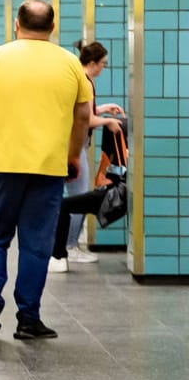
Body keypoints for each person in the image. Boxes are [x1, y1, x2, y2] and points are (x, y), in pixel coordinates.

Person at [0, 0, 93, 340]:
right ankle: (29, 319)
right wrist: (74, 154)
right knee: (37, 244)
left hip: (1, 166)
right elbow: (83, 116)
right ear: (53, 28)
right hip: (49, 168)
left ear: (16, 24)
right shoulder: (70, 63)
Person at [49, 40, 127, 271]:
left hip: (74, 144)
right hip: (74, 145)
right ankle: (70, 246)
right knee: (79, 197)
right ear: (92, 63)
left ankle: (71, 245)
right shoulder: (84, 81)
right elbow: (86, 119)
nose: (104, 67)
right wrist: (108, 121)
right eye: (103, 64)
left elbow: (86, 112)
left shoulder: (80, 79)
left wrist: (103, 109)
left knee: (76, 195)